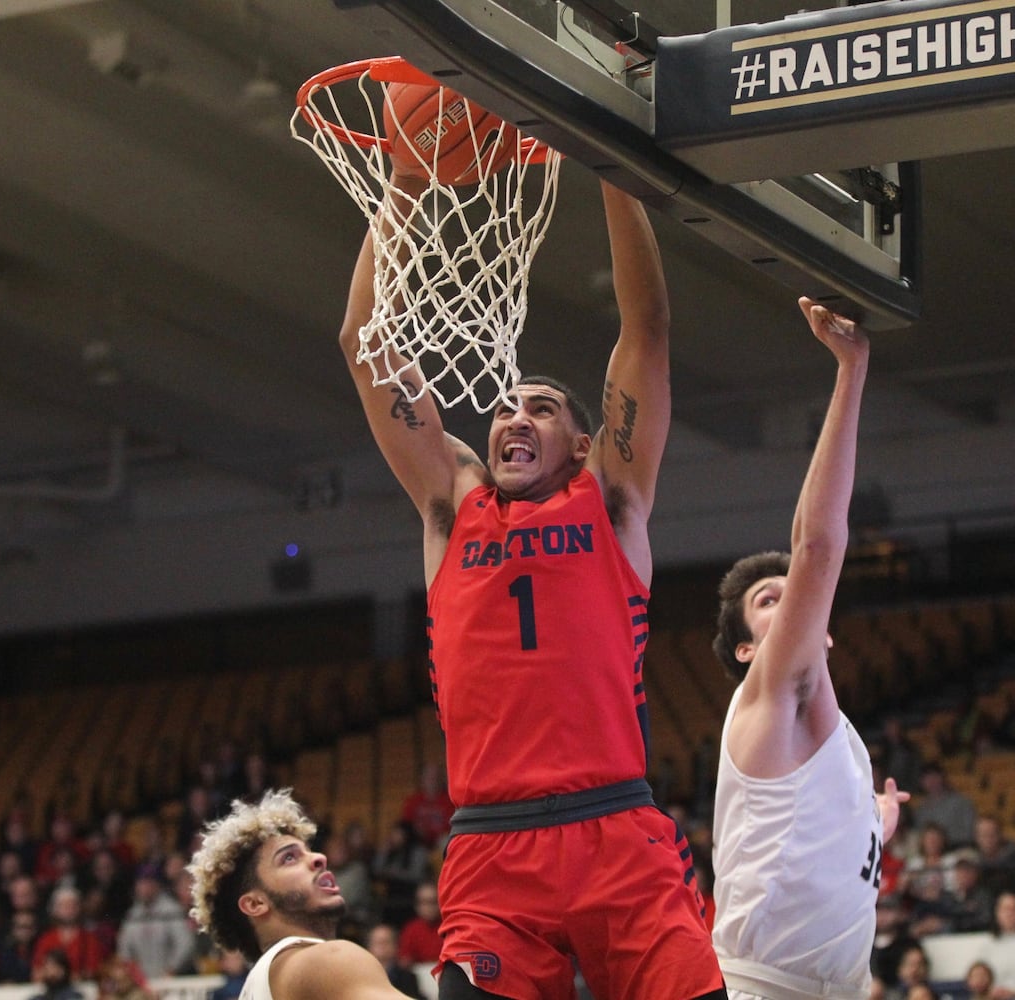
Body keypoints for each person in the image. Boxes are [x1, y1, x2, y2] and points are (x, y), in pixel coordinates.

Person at [339, 166, 725, 1000]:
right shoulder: (451, 505)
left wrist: (612, 169)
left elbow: (647, 328)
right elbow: (361, 340)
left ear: (583, 445)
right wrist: (404, 185)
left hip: (617, 830)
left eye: (543, 407)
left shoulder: (611, 503)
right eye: (507, 404)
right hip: (492, 846)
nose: (515, 414)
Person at [709, 298, 910, 1000]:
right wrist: (851, 371)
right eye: (768, 602)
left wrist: (878, 817)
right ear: (744, 652)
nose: (791, 599)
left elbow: (835, 841)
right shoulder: (768, 695)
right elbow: (817, 545)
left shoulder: (837, 747)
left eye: (794, 599)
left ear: (823, 627)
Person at [185, 788, 420, 1000]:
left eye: (309, 851)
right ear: (256, 903)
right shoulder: (326, 960)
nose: (319, 858)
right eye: (289, 858)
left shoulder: (260, 984)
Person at [116, 862, 196, 979]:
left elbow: (185, 944)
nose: (144, 887)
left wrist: (172, 969)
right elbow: (124, 950)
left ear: (157, 884)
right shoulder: (133, 915)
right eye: (141, 882)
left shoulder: (171, 910)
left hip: (171, 980)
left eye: (148, 882)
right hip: (142, 984)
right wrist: (133, 975)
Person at [32, 885, 108, 982]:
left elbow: (95, 972)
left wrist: (66, 977)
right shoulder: (46, 939)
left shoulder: (89, 939)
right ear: (55, 910)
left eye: (73, 905)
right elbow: (36, 972)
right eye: (63, 905)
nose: (69, 909)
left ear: (80, 908)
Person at [913, 763, 977, 849]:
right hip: (931, 853)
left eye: (935, 777)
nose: (932, 782)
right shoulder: (921, 810)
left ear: (942, 778)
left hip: (959, 848)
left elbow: (970, 832)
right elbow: (920, 835)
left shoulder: (962, 802)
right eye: (927, 778)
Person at [366, 923, 426, 1000]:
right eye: (378, 942)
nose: (382, 946)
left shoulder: (408, 978)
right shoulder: (360, 978)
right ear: (369, 947)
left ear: (395, 946)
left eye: (386, 942)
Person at [396, 882, 442, 968]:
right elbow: (404, 961)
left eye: (433, 902)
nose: (428, 908)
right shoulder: (411, 929)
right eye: (424, 902)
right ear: (417, 906)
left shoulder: (449, 927)